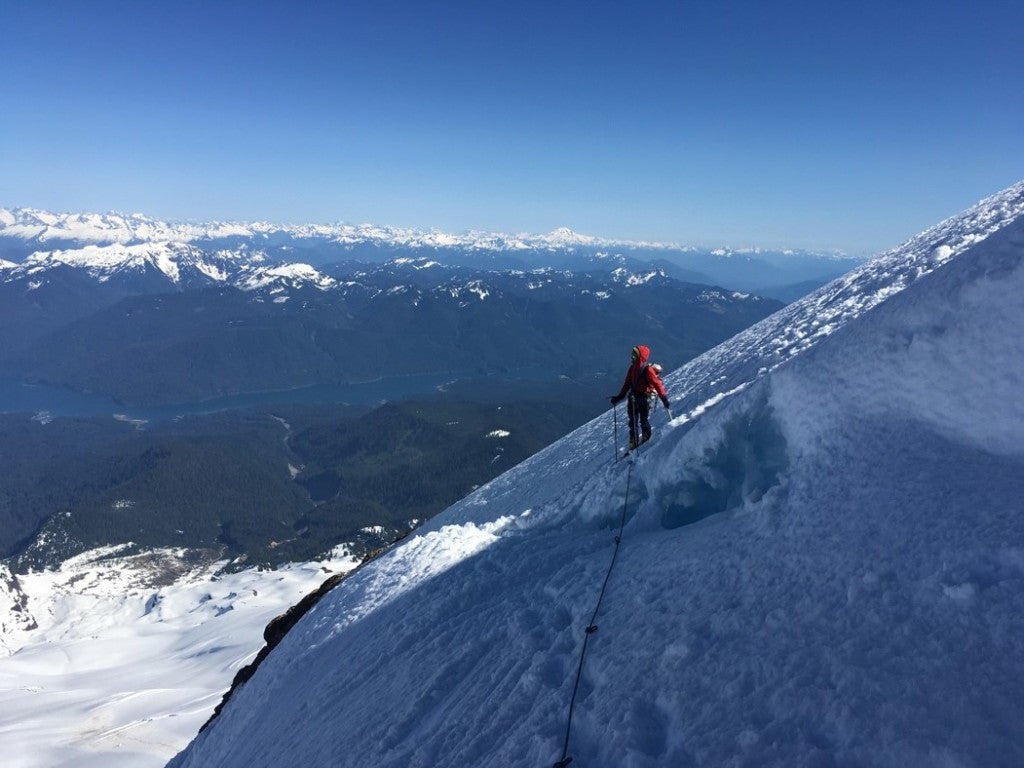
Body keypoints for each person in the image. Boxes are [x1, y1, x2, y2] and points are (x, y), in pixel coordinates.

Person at [610, 345, 671, 450]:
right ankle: (638, 441)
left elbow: (656, 384)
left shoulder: (645, 369)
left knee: (641, 420)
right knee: (634, 421)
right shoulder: (634, 368)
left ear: (640, 356)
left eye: (635, 354)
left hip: (640, 398)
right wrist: (619, 397)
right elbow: (627, 384)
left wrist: (664, 398)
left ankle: (642, 439)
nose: (632, 356)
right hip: (637, 398)